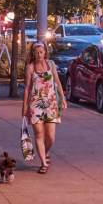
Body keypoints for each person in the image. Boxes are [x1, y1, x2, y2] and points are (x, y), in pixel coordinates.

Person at [22, 41, 65, 174]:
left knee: (51, 137)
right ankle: (43, 163)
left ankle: (45, 152)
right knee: (39, 134)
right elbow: (27, 88)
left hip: (51, 103)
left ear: (45, 52)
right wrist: (24, 107)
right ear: (33, 53)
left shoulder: (50, 64)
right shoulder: (30, 67)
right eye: (37, 52)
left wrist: (62, 98)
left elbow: (57, 82)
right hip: (36, 105)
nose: (39, 54)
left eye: (41, 52)